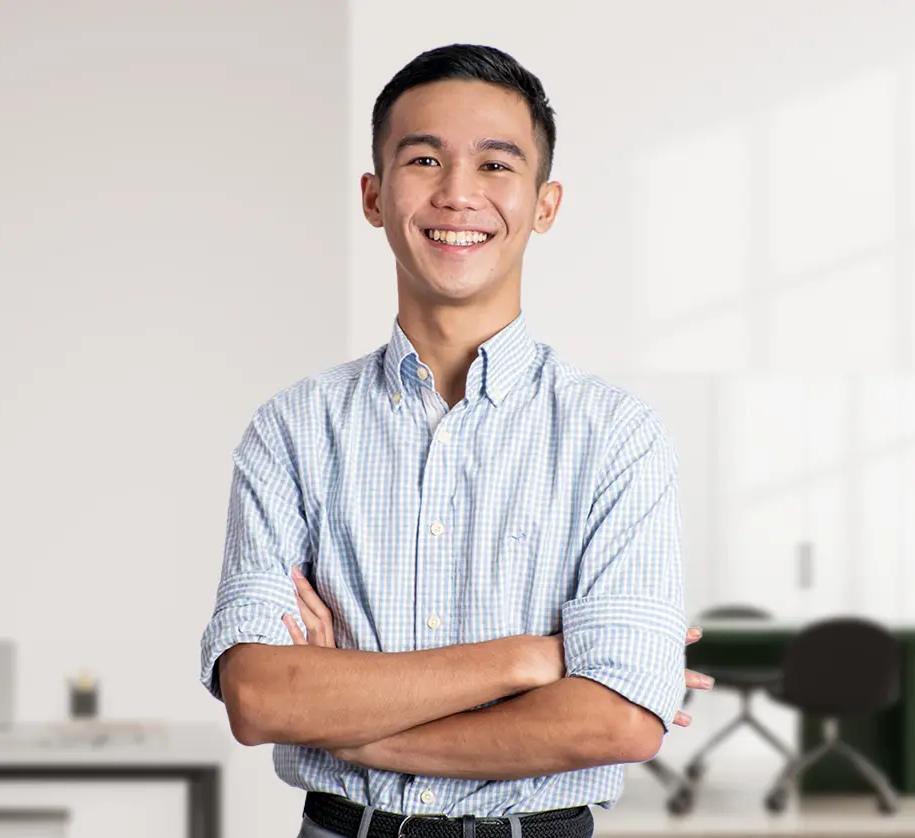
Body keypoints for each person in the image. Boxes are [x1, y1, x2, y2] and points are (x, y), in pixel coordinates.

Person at [197, 44, 715, 838]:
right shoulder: (294, 429)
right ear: (374, 196)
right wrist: (532, 659)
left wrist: (353, 720)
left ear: (545, 204)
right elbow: (263, 698)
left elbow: (616, 722)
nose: (458, 194)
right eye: (426, 158)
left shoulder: (617, 436)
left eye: (497, 166)